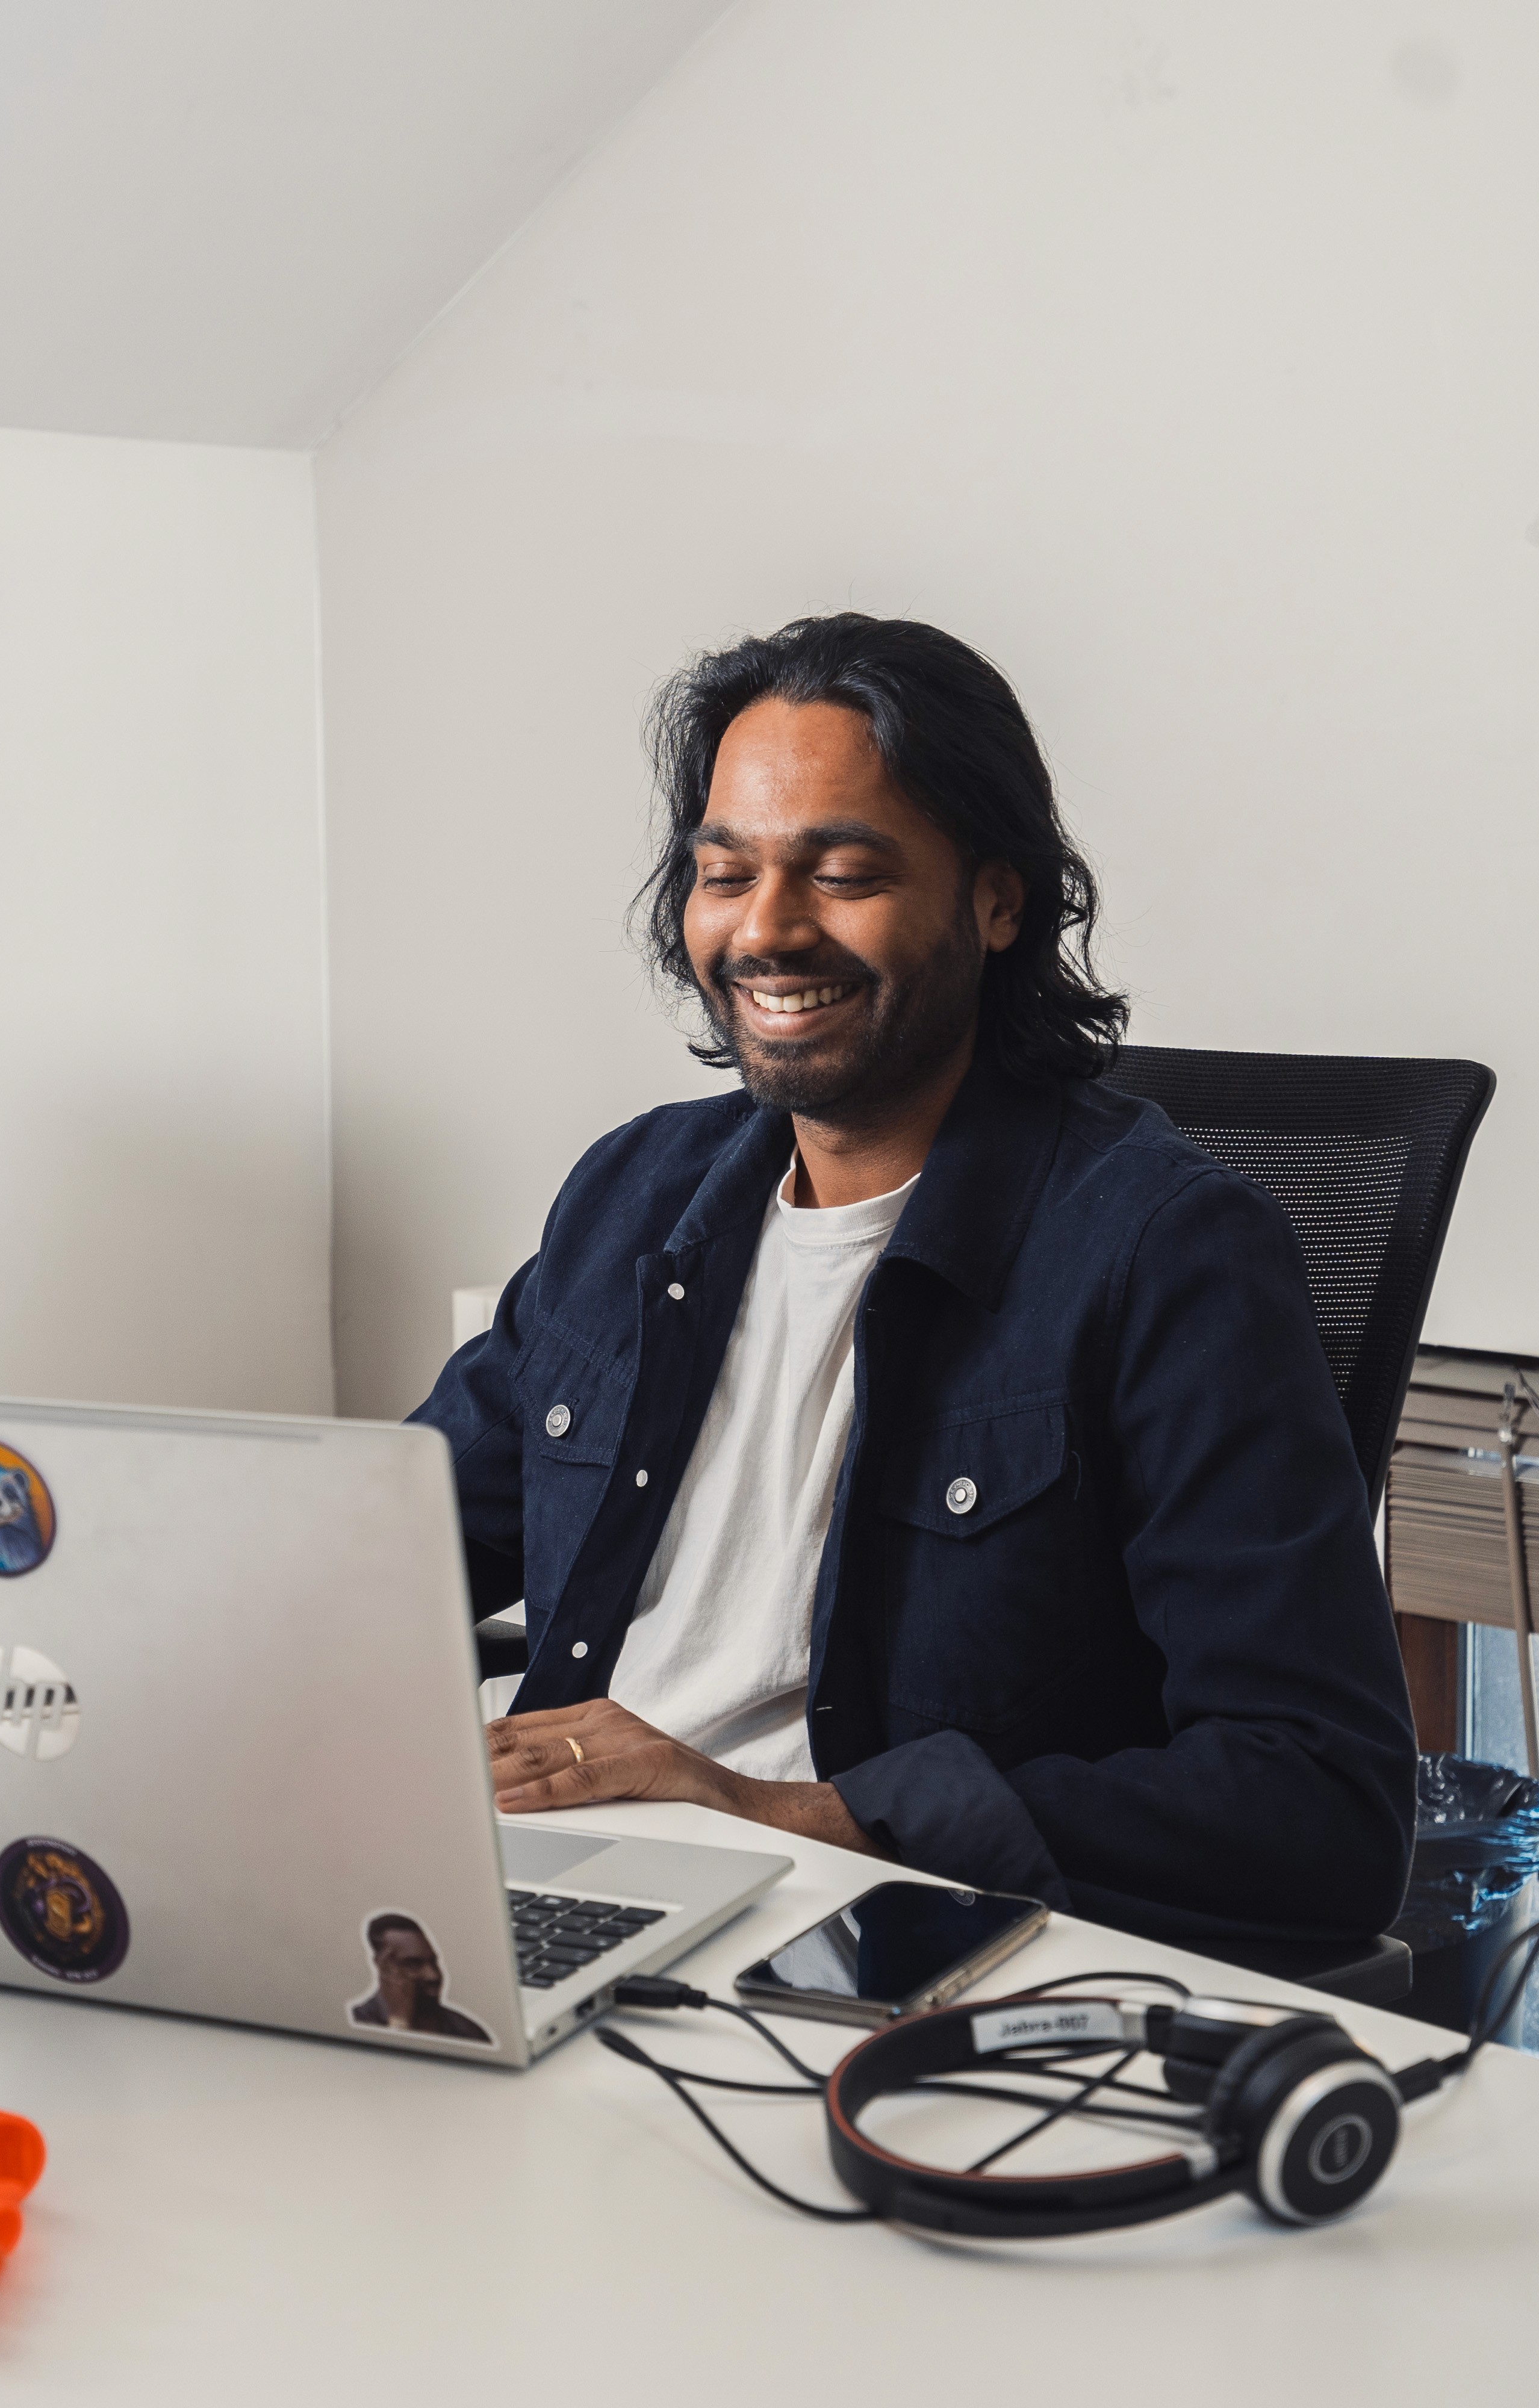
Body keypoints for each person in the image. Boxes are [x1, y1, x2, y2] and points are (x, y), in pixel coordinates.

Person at [417, 614, 1415, 1958]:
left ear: (998, 900)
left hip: (879, 1944)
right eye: (725, 873)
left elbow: (1320, 1803)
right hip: (566, 1894)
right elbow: (383, 1552)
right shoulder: (633, 1196)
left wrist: (774, 1807)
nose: (766, 930)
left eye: (839, 873)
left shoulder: (1167, 1251)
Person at [347, 1913, 492, 2043]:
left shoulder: (467, 2032)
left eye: (433, 1962)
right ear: (383, 1967)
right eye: (413, 1964)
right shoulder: (356, 2022)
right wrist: (400, 2022)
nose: (433, 1976)